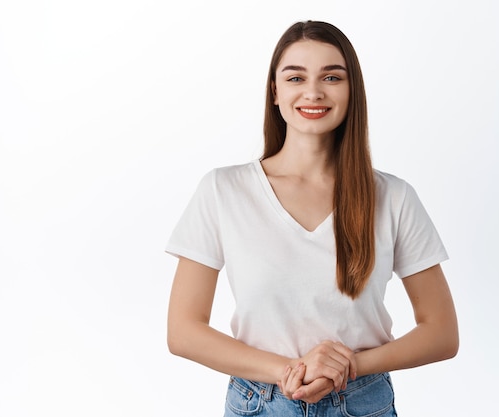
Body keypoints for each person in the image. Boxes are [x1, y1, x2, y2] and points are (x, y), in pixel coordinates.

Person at [166, 20, 458, 416]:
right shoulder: (223, 190)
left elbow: (441, 332)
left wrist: (350, 365)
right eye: (296, 77)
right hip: (260, 403)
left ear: (352, 89)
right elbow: (183, 331)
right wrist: (287, 370)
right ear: (275, 91)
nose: (313, 91)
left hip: (362, 403)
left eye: (332, 77)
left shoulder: (393, 197)